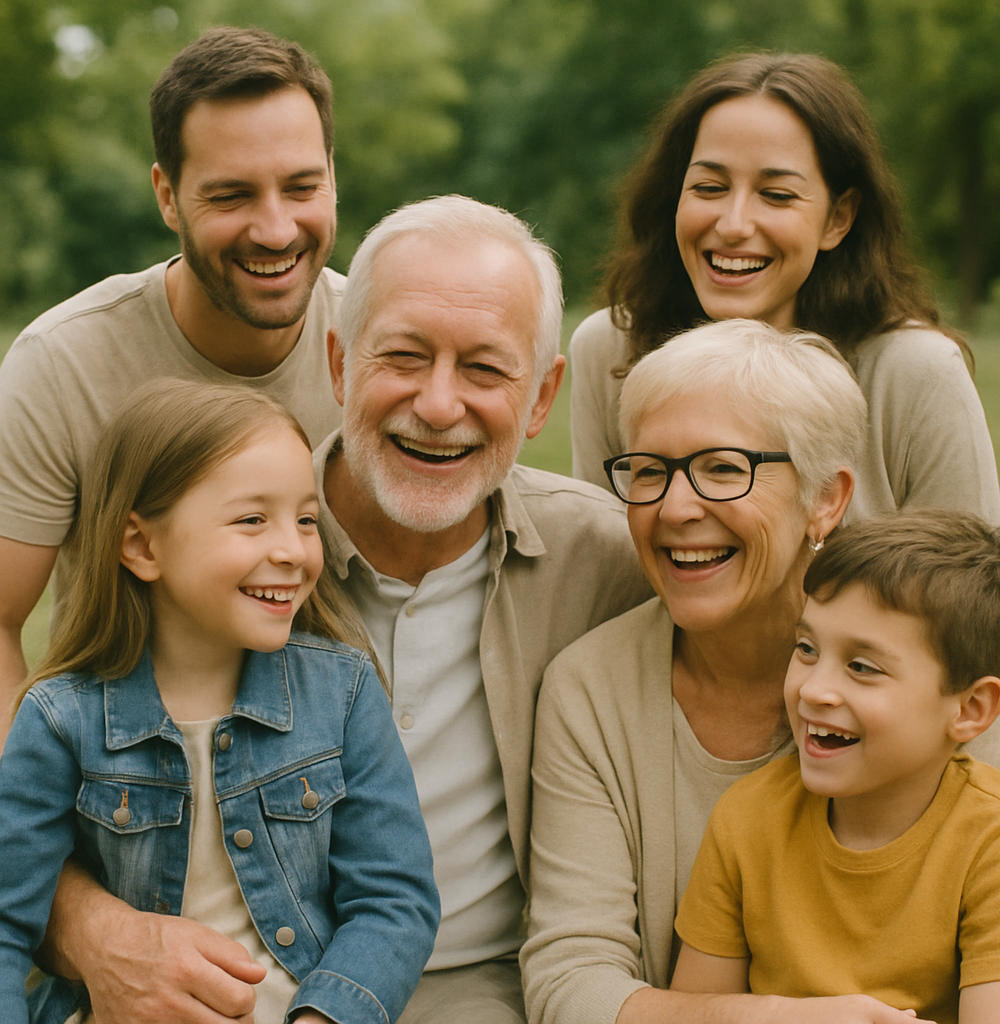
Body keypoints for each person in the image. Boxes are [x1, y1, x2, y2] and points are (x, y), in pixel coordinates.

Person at [38, 196, 654, 1024]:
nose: (439, 405)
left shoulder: (611, 560)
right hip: (229, 990)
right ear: (339, 362)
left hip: (483, 990)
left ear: (542, 397)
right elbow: (46, 794)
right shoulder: (213, 561)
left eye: (484, 369)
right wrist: (92, 930)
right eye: (402, 356)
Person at [520, 320, 1000, 1024]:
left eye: (725, 469)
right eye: (649, 471)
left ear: (825, 498)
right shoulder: (593, 690)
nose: (675, 508)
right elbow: (571, 983)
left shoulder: (927, 682)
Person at [0, 379, 440, 1024]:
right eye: (251, 520)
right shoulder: (60, 719)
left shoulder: (342, 693)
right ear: (142, 546)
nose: (292, 550)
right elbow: (7, 921)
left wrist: (325, 1017)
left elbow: (396, 902)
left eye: (306, 519)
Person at [0, 26, 344, 739]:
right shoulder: (63, 362)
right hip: (118, 771)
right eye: (232, 195)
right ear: (167, 195)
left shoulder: (383, 350)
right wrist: (36, 802)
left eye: (302, 187)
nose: (276, 229)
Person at [568, 52, 1000, 532]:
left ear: (838, 218)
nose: (733, 225)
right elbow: (603, 559)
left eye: (776, 195)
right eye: (709, 187)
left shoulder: (914, 373)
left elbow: (972, 578)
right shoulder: (610, 350)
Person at [672, 510, 1000, 1024]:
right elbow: (696, 1010)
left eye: (862, 667)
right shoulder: (747, 818)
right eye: (806, 648)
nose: (814, 689)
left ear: (970, 709)